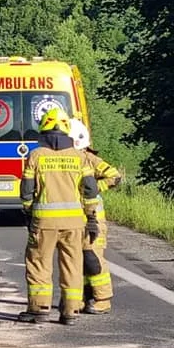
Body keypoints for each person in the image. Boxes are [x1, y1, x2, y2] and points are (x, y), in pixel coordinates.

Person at [17, 108, 100, 326]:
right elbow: (90, 190)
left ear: (43, 130)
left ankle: (39, 309)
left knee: (39, 264)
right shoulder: (79, 157)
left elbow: (26, 190)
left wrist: (28, 211)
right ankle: (71, 311)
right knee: (73, 265)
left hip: (43, 223)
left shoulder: (36, 156)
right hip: (74, 224)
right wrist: (91, 216)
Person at [69, 119, 122, 314]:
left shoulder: (89, 158)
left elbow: (114, 176)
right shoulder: (69, 157)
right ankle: (83, 298)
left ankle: (103, 298)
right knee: (79, 258)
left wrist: (92, 189)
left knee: (93, 258)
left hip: (93, 218)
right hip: (76, 217)